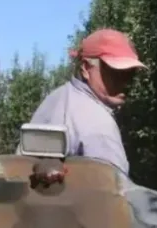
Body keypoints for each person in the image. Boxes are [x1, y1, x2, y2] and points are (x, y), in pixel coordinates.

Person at [25, 28, 146, 177]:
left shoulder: (54, 99)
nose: (126, 82)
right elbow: (113, 192)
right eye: (116, 73)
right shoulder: (99, 123)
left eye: (130, 74)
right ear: (86, 68)